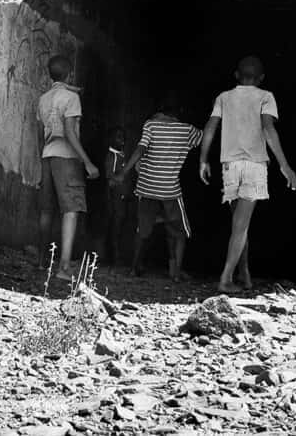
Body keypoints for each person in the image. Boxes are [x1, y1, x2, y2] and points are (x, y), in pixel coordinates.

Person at [199, 56, 296, 293]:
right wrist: (285, 165)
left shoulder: (224, 97)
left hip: (230, 166)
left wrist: (203, 159)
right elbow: (267, 127)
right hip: (254, 166)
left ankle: (245, 274)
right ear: (261, 78)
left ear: (236, 75)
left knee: (238, 226)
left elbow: (211, 126)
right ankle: (225, 279)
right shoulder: (266, 97)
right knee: (241, 227)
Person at [113, 92, 201, 282]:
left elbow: (140, 149)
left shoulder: (150, 125)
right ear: (180, 112)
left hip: (146, 186)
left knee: (142, 230)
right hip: (169, 189)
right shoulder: (187, 130)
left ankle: (133, 268)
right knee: (179, 232)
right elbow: (205, 137)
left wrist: (124, 173)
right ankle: (175, 272)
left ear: (158, 110)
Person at [37, 55, 99, 281]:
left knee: (46, 210)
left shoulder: (44, 98)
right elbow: (70, 132)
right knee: (70, 210)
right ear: (70, 73)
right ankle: (64, 267)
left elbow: (40, 132)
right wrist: (87, 162)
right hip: (67, 157)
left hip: (47, 155)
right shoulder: (71, 98)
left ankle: (42, 261)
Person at [102, 126, 131, 266]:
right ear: (111, 139)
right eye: (118, 137)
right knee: (116, 227)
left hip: (122, 198)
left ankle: (117, 257)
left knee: (120, 226)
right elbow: (110, 180)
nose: (122, 141)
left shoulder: (121, 154)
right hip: (116, 199)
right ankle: (115, 258)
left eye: (123, 137)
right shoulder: (112, 156)